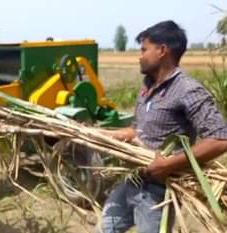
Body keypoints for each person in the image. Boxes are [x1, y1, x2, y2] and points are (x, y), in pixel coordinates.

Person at [97, 20, 227, 233]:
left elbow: (220, 139)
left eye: (144, 49)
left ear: (162, 50)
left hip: (157, 192)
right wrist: (102, 134)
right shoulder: (148, 86)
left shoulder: (188, 90)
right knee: (105, 228)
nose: (139, 56)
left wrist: (168, 164)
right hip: (133, 178)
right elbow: (138, 130)